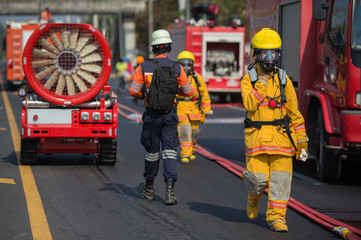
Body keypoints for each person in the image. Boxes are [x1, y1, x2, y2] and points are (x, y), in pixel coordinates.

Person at [240, 28, 308, 232]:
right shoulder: (249, 80)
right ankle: (253, 198)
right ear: (257, 56)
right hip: (257, 141)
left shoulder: (284, 80)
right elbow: (250, 105)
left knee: (280, 182)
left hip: (282, 142)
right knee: (257, 180)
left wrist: (302, 142)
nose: (269, 59)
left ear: (277, 55)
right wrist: (261, 83)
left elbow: (294, 113)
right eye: (264, 55)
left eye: (272, 54)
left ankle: (276, 218)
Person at [129, 29, 193, 205]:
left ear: (153, 48)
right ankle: (170, 192)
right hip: (170, 115)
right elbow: (189, 92)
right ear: (169, 48)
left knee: (152, 153)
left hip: (152, 115)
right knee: (171, 152)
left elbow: (133, 90)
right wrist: (174, 91)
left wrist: (146, 95)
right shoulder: (177, 68)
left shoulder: (143, 67)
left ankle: (149, 189)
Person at [176, 51, 211, 164]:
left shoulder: (197, 78)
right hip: (181, 110)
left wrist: (205, 112)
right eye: (183, 64)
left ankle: (191, 150)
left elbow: (204, 95)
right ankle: (185, 154)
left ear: (192, 65)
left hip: (195, 110)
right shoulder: (176, 78)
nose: (186, 67)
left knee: (194, 133)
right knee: (184, 131)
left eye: (188, 64)